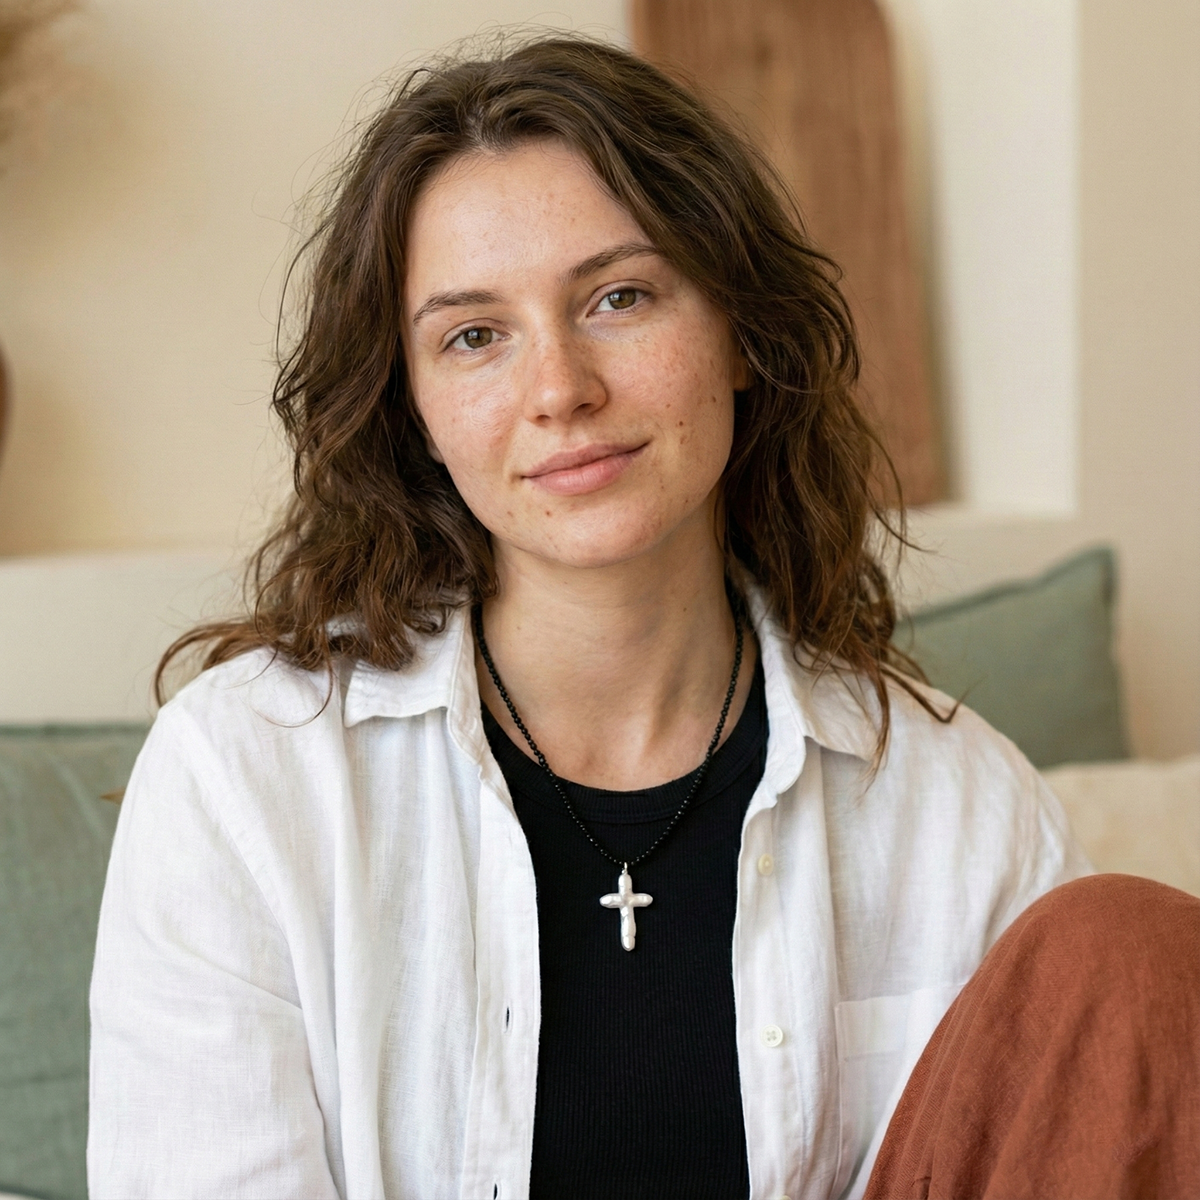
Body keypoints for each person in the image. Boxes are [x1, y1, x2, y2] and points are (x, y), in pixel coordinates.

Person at [87, 33, 1199, 1200]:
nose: (561, 389)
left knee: (1130, 949)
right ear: (413, 409)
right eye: (474, 336)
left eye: (619, 297)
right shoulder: (245, 777)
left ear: (740, 335)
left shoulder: (959, 803)